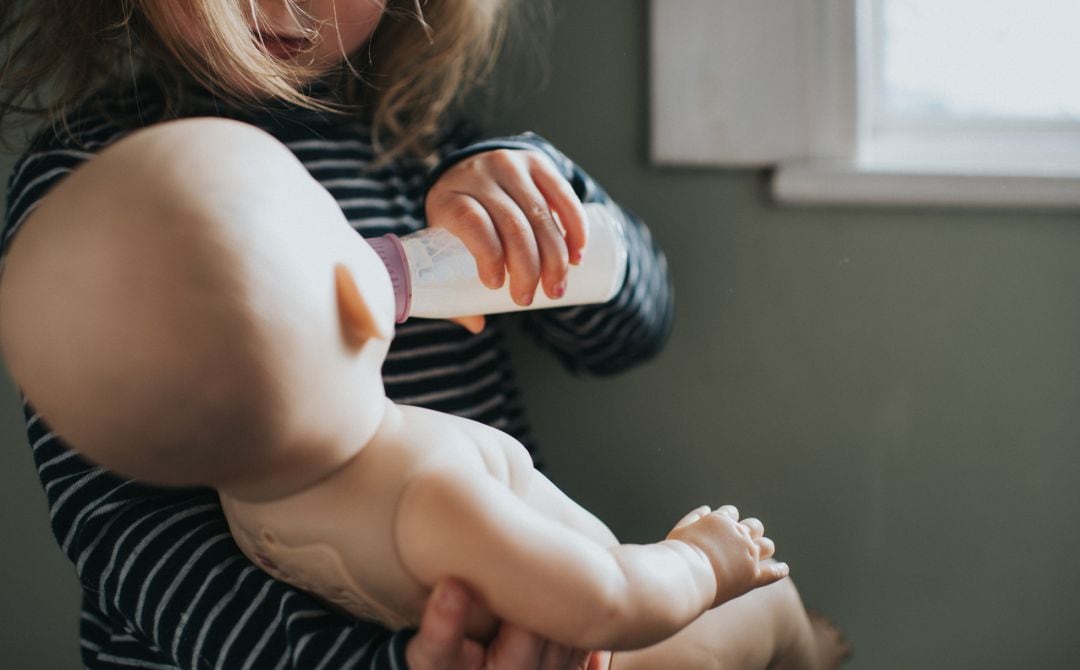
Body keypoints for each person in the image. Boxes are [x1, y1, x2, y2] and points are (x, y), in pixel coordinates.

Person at [0, 1, 849, 668]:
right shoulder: (91, 190)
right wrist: (390, 663)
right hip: (277, 652)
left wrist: (542, 204)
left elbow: (632, 331)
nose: (284, 2)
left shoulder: (423, 150)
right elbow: (134, 540)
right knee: (751, 612)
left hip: (527, 615)